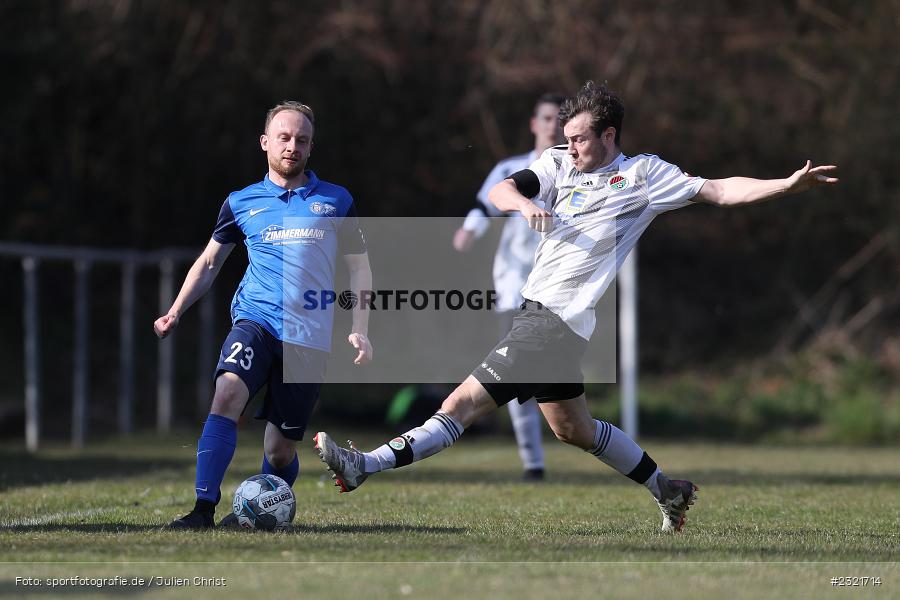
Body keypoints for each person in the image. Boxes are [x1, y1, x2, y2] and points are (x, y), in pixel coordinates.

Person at [313, 80, 838, 533]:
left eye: (580, 138)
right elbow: (500, 191)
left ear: (609, 135)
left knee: (460, 405)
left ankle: (365, 465)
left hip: (551, 326)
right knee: (573, 429)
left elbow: (720, 190)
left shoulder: (643, 176)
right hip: (544, 318)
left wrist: (785, 185)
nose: (570, 147)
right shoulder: (558, 163)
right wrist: (524, 205)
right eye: (567, 138)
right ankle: (668, 490)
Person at [154, 100, 372, 529]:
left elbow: (359, 266)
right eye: (285, 137)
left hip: (308, 336)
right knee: (227, 395)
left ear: (311, 148)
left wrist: (360, 328)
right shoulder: (240, 202)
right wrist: (176, 310)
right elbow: (210, 263)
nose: (293, 146)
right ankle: (202, 509)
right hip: (255, 320)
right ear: (265, 142)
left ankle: (265, 505)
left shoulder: (337, 200)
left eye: (302, 140)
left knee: (279, 451)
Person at [452, 93, 566, 481]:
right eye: (548, 118)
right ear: (535, 123)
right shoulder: (512, 168)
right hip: (514, 288)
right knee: (515, 375)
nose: (553, 125)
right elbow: (485, 206)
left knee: (551, 381)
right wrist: (469, 231)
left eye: (560, 119)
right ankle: (533, 463)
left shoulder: (575, 172)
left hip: (558, 291)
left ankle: (568, 438)